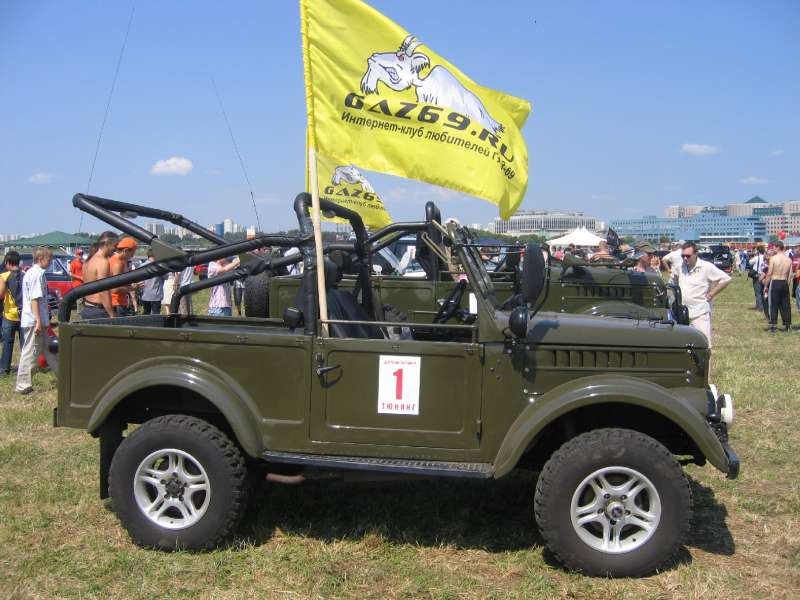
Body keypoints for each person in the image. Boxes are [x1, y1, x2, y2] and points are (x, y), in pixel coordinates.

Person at [15, 247, 59, 394]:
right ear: (40, 259)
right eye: (49, 259)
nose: (50, 262)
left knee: (51, 350)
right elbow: (34, 300)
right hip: (34, 321)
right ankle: (23, 385)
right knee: (30, 353)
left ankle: (64, 378)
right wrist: (38, 321)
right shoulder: (35, 274)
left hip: (39, 320)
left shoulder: (37, 273)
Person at [671, 242, 731, 347]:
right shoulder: (679, 267)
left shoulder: (706, 267)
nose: (685, 258)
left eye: (688, 256)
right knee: (683, 345)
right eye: (683, 256)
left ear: (696, 254)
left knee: (703, 344)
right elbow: (673, 282)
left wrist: (712, 294)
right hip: (681, 313)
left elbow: (725, 279)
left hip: (700, 313)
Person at [81, 231, 119, 319]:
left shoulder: (88, 261)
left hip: (87, 308)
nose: (115, 249)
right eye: (115, 245)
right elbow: (103, 291)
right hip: (98, 311)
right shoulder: (102, 262)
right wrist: (112, 314)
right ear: (107, 244)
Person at [0, 251, 24, 377]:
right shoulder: (25, 275)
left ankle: (5, 370)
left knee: (8, 343)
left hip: (9, 314)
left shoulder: (4, 276)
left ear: (8, 263)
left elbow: (1, 295)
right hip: (24, 315)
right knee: (24, 345)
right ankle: (25, 369)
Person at [763, 240, 792, 332]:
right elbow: (790, 275)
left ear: (778, 247)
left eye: (774, 247)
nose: (773, 249)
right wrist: (787, 285)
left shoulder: (773, 258)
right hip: (784, 282)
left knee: (773, 304)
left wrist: (765, 285)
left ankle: (773, 325)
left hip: (775, 281)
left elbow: (769, 273)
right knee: (785, 304)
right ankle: (787, 325)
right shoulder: (788, 259)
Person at [109, 237, 138, 316]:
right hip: (116, 303)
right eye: (132, 253)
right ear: (125, 250)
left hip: (118, 302)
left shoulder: (120, 261)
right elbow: (115, 289)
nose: (133, 256)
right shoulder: (118, 263)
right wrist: (132, 288)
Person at [138, 250, 168, 315]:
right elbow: (166, 277)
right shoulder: (159, 266)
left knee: (146, 313)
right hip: (156, 295)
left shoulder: (141, 266)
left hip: (145, 294)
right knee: (156, 314)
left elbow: (139, 280)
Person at [748, 246, 767, 313]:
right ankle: (764, 305)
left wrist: (754, 255)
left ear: (758, 251)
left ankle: (760, 307)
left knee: (758, 292)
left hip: (757, 276)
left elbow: (750, 262)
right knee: (764, 291)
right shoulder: (766, 257)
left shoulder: (757, 257)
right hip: (765, 276)